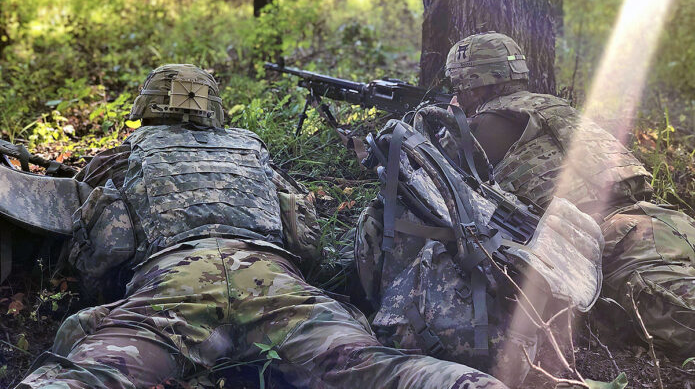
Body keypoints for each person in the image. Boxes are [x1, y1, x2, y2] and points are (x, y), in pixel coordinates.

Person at [14, 64, 507, 389]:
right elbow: (302, 237)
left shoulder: (124, 156)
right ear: (214, 109)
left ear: (147, 109)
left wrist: (96, 283)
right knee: (364, 364)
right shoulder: (253, 151)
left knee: (95, 372)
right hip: (272, 279)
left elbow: (109, 241)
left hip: (175, 282)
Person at [443, 31, 695, 356]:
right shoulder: (553, 107)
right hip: (666, 221)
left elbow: (430, 172)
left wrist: (453, 123)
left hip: (619, 242)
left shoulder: (488, 124)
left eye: (457, 86)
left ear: (470, 84)